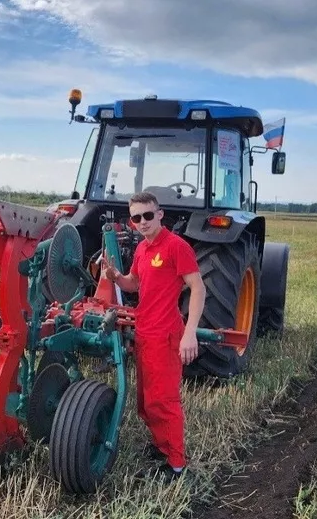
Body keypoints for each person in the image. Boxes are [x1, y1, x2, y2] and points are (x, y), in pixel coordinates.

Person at [104, 191, 206, 481]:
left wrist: (190, 334)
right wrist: (115, 277)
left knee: (164, 401)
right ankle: (162, 446)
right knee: (146, 403)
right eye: (137, 218)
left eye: (148, 215)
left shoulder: (176, 247)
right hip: (145, 334)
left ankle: (176, 465)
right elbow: (134, 283)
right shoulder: (142, 249)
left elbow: (198, 289)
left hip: (166, 336)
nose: (143, 222)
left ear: (160, 214)